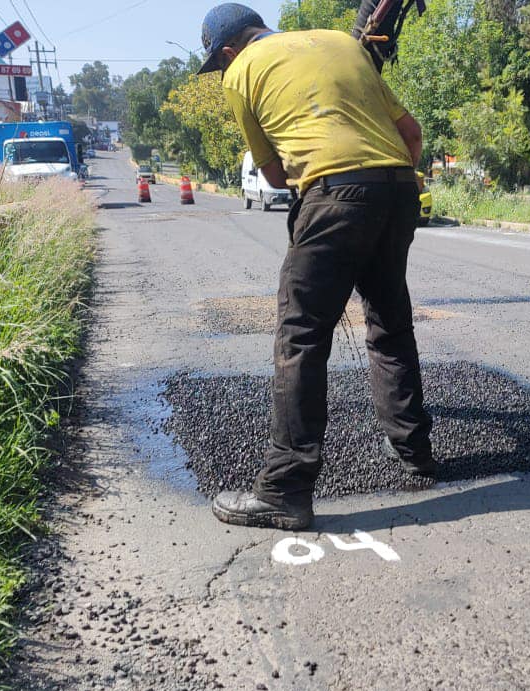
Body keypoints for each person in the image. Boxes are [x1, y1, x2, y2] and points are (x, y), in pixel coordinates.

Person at [197, 3, 435, 530]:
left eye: (218, 63)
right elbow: (412, 135)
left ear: (229, 51)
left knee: (301, 334)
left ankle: (285, 489)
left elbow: (278, 177)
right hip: (398, 188)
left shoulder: (241, 73)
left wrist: (344, 190)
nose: (222, 72)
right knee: (390, 322)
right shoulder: (342, 43)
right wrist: (382, 191)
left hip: (334, 194)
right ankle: (417, 451)